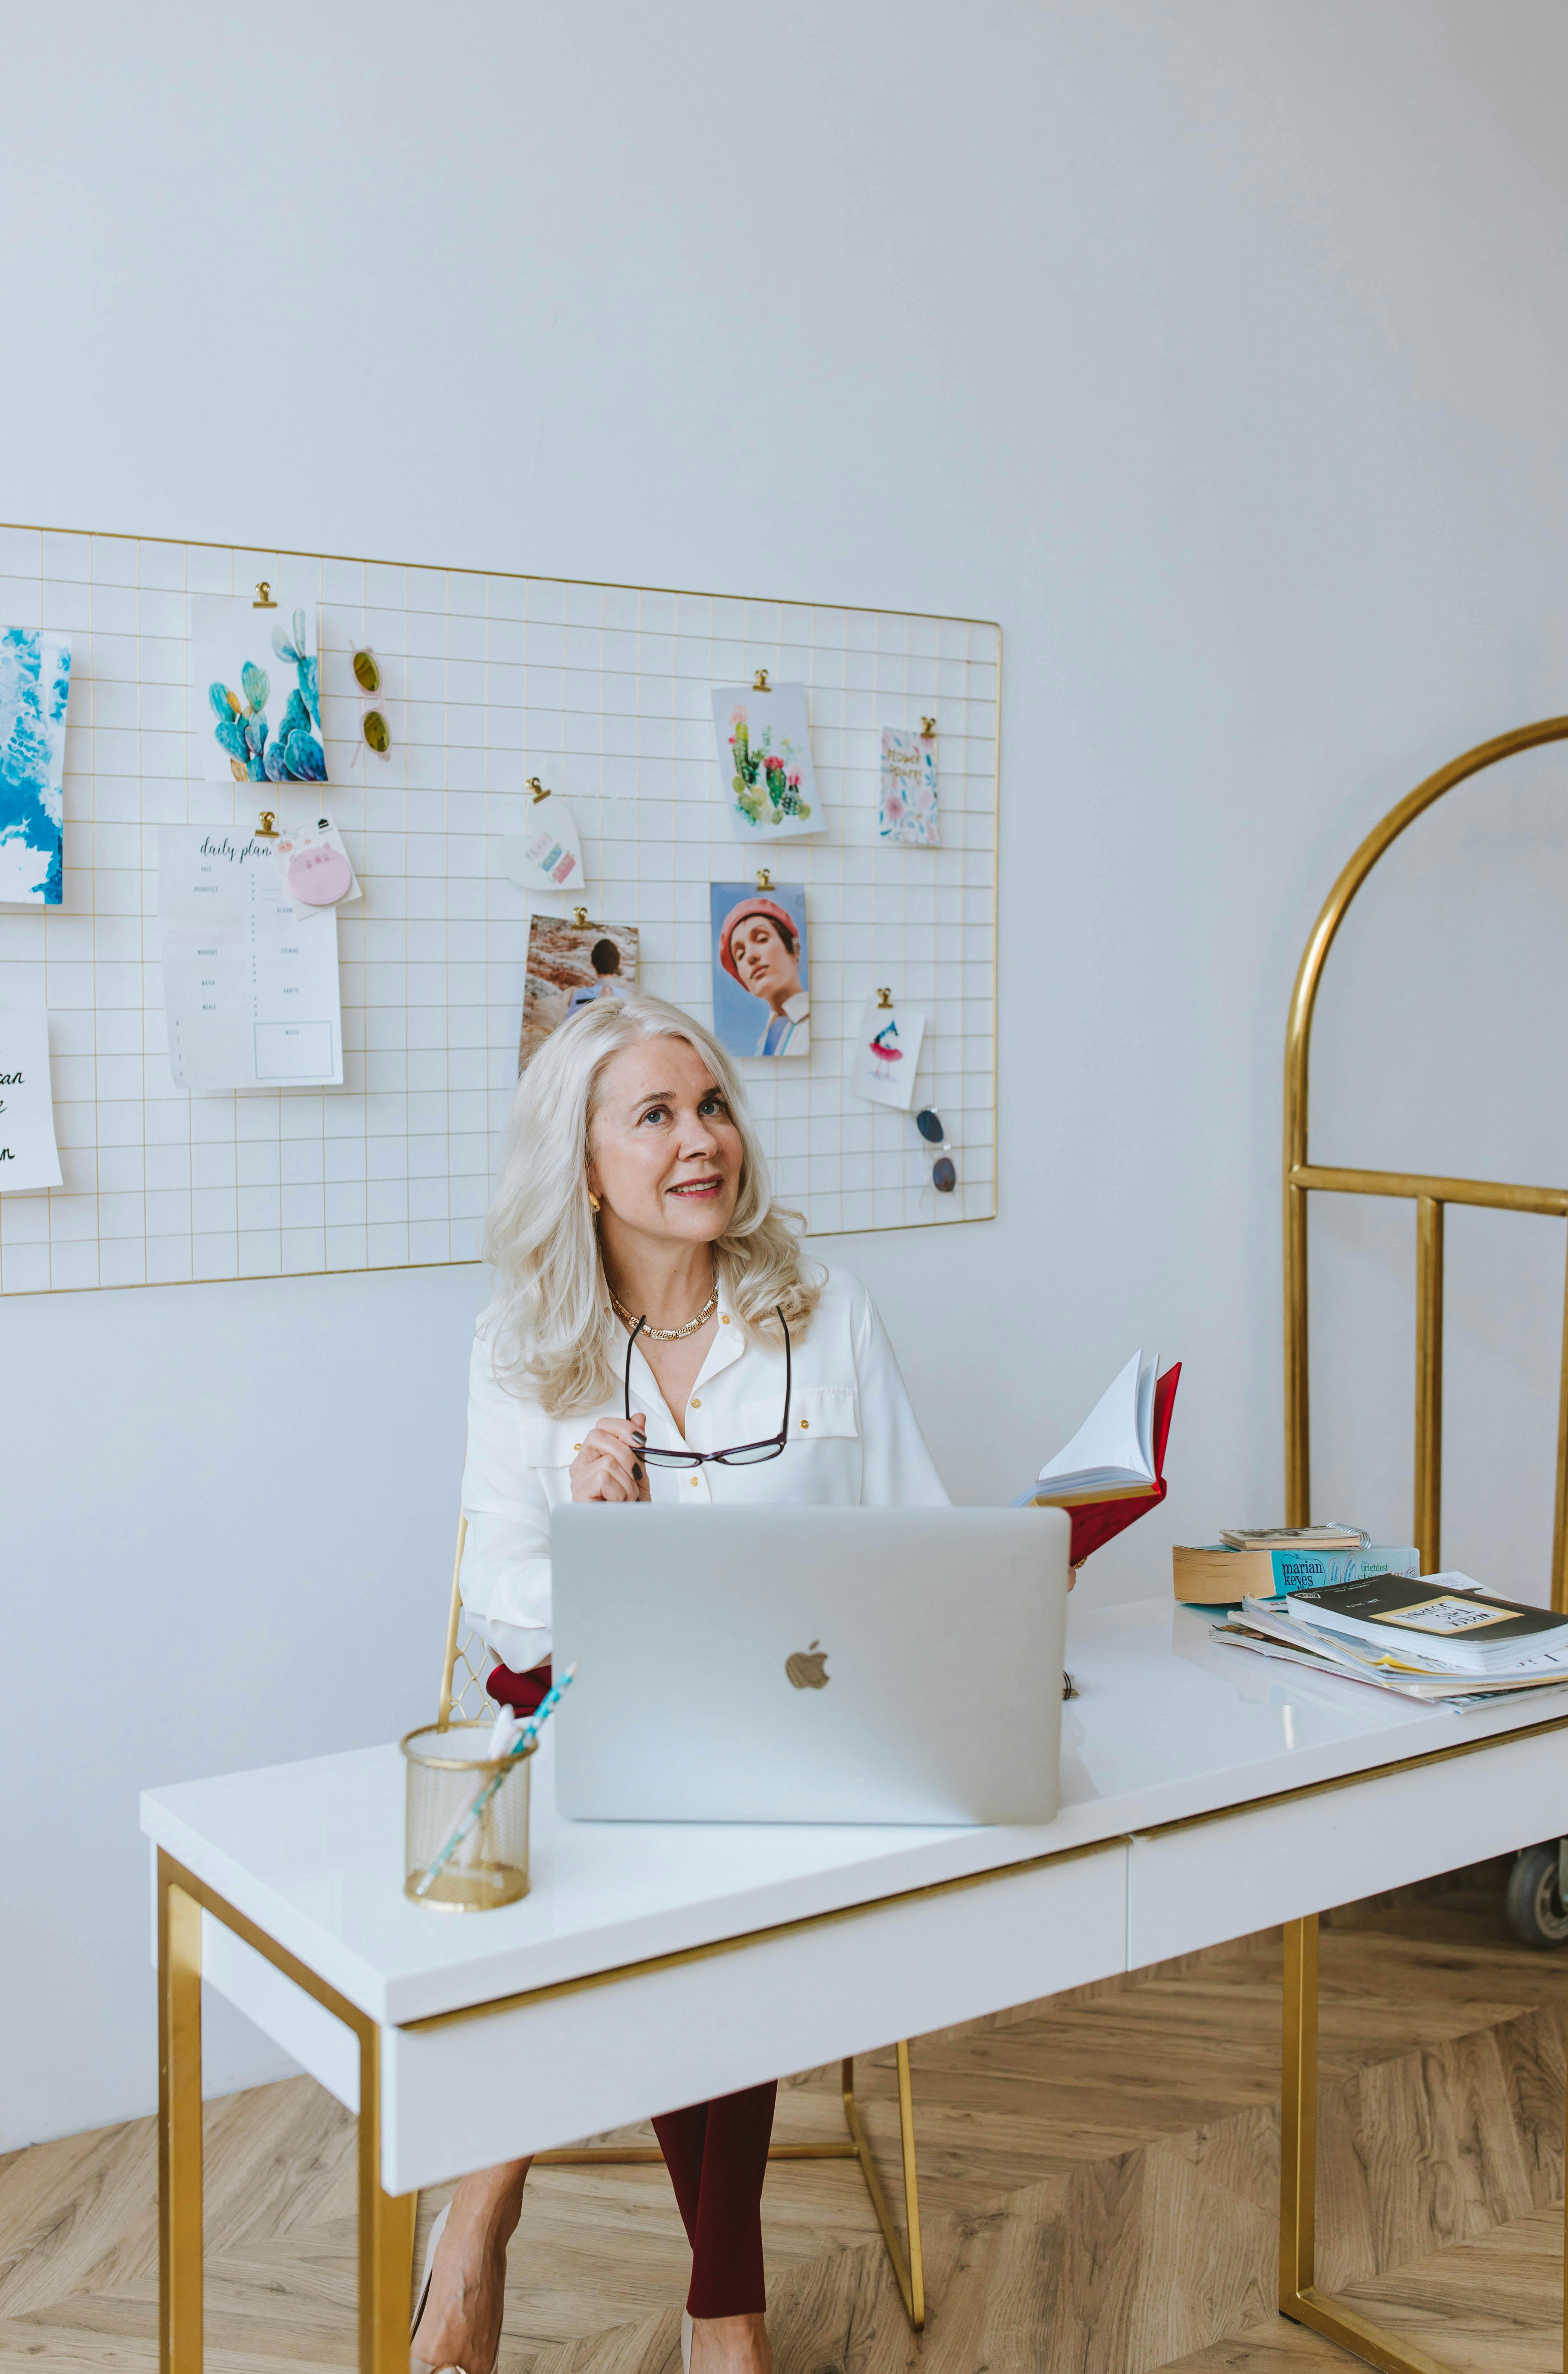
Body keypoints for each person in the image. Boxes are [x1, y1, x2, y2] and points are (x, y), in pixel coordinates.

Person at [412, 992, 946, 2374]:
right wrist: (607, 1549)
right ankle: (721, 2309)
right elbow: (497, 1588)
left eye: (709, 1105)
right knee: (688, 1874)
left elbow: (922, 1536)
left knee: (722, 1875)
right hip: (583, 1724)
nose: (699, 1138)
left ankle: (493, 2179)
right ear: (584, 1164)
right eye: (653, 1114)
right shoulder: (518, 1345)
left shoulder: (829, 1315)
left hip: (800, 1735)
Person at [717, 898, 808, 1056]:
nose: (750, 957)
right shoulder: (763, 1044)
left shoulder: (821, 1022)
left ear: (795, 949)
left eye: (762, 939)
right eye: (741, 954)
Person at [567, 935, 628, 1013]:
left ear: (593, 964)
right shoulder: (627, 996)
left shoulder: (579, 995)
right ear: (617, 965)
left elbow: (569, 1023)